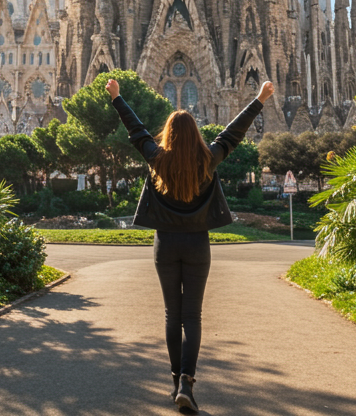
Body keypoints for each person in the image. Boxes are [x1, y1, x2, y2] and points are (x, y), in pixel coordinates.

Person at [106, 76, 275, 413]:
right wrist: (259, 100)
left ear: (168, 135)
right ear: (195, 135)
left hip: (165, 246)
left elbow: (137, 131)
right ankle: (187, 381)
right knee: (192, 316)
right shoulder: (207, 160)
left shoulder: (159, 160)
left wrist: (117, 99)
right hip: (198, 245)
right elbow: (232, 134)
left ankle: (174, 382)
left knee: (172, 315)